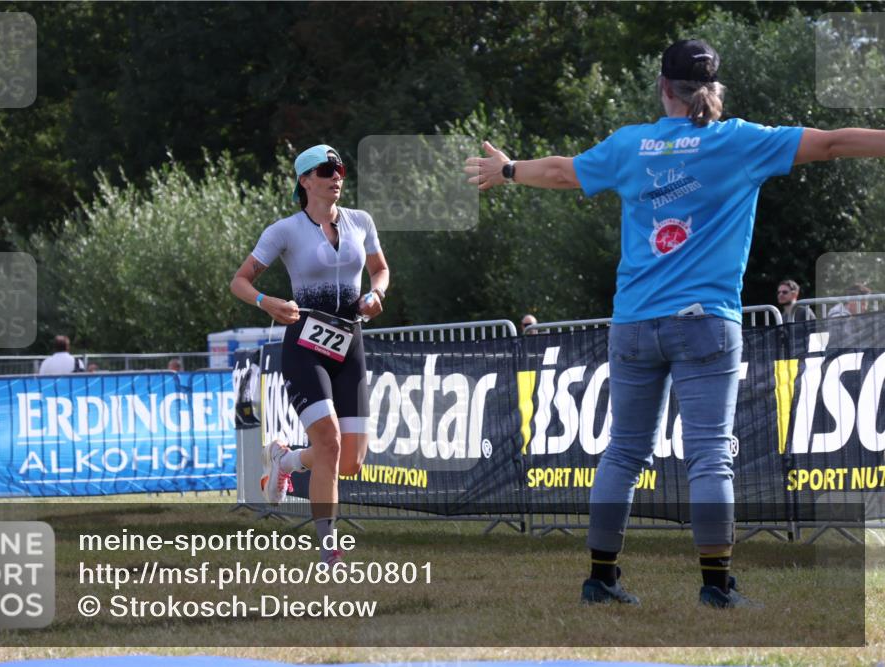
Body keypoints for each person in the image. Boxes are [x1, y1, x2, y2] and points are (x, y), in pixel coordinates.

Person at [466, 38, 885, 608]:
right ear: (712, 89)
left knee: (623, 453)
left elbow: (563, 173)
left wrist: (509, 169)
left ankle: (601, 579)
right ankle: (716, 586)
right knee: (709, 455)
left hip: (634, 324)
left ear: (663, 87)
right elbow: (833, 143)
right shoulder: (739, 141)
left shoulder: (631, 145)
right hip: (706, 323)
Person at [230, 144, 390, 568]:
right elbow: (240, 281)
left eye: (339, 169)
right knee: (329, 441)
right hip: (305, 346)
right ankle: (329, 549)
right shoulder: (284, 230)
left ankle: (285, 461)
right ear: (304, 180)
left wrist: (377, 293)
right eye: (325, 170)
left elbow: (380, 269)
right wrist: (266, 301)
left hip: (349, 345)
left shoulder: (361, 221)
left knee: (350, 461)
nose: (336, 176)